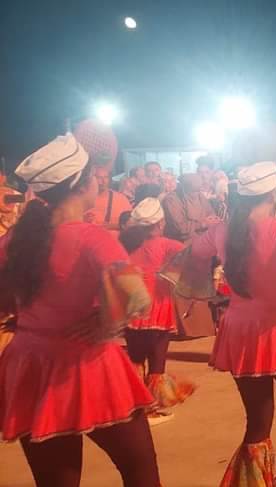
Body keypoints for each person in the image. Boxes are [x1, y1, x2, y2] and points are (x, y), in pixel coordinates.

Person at [0, 135, 160, 485]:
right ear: (83, 183)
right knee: (141, 474)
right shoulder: (92, 237)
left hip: (30, 366)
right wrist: (106, 322)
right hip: (88, 365)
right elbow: (136, 296)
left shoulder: (15, 239)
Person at [170, 161, 276, 486]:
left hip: (240, 331)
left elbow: (185, 259)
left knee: (258, 421)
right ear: (273, 193)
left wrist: (203, 291)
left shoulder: (222, 230)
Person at [119, 197, 196, 424]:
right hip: (157, 308)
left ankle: (134, 405)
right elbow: (194, 255)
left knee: (135, 359)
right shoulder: (166, 244)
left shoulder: (126, 244)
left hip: (132, 308)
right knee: (156, 361)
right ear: (160, 223)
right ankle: (149, 410)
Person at [161, 174, 217, 242]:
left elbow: (210, 212)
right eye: (193, 191)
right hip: (181, 241)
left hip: (203, 237)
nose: (197, 193)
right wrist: (203, 224)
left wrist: (213, 220)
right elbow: (180, 227)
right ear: (184, 189)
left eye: (198, 190)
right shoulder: (171, 200)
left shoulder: (200, 195)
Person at [87, 164, 132, 230]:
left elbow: (131, 223)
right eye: (99, 177)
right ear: (92, 179)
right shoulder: (84, 199)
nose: (103, 181)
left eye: (106, 177)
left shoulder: (121, 198)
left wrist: (112, 226)